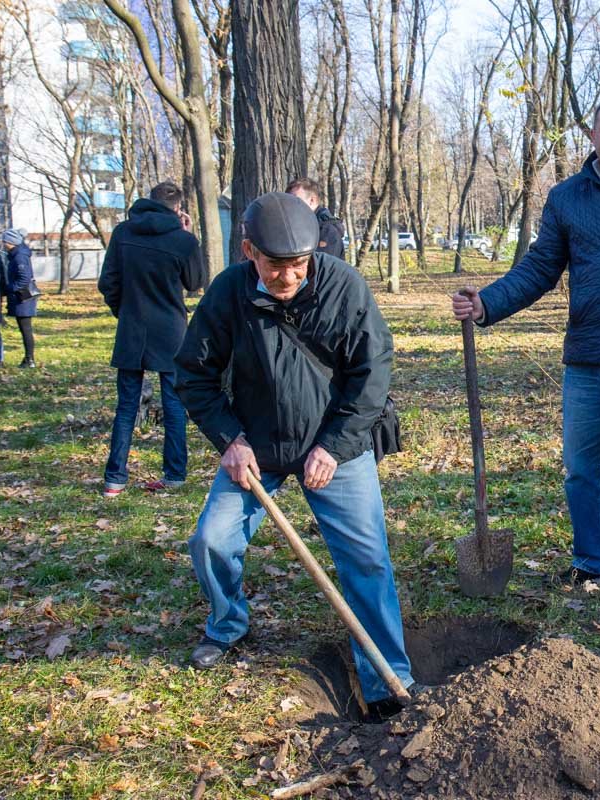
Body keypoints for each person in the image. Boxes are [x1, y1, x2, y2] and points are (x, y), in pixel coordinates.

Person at [174, 192, 414, 715]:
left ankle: (386, 680)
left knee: (367, 560)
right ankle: (227, 624)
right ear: (248, 252)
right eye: (277, 266)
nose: (288, 277)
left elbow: (372, 377)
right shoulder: (227, 294)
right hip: (256, 448)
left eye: (298, 265)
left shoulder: (342, 287)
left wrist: (333, 446)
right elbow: (192, 375)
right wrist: (229, 441)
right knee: (210, 540)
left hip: (336, 447)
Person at [452, 97, 600, 605]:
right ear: (592, 136)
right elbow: (540, 267)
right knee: (579, 467)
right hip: (587, 355)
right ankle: (592, 561)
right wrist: (487, 304)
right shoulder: (567, 197)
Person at [98, 181, 204, 498]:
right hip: (170, 330)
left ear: (149, 201)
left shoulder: (123, 233)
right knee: (173, 405)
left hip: (132, 328)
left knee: (126, 407)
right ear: (178, 208)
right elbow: (195, 282)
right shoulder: (182, 240)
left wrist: (125, 312)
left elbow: (108, 283)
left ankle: (114, 479)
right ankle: (174, 474)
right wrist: (187, 235)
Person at [1, 229, 37, 368]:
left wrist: (9, 289)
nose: (3, 244)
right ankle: (29, 358)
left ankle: (30, 359)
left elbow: (24, 278)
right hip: (21, 297)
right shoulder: (18, 254)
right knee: (25, 328)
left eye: (5, 241)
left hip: (23, 298)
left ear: (11, 242)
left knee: (26, 329)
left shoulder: (19, 257)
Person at [286, 177, 346, 259]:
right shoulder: (301, 226)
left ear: (312, 200)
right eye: (288, 200)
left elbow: (322, 268)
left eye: (295, 199)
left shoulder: (326, 231)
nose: (290, 205)